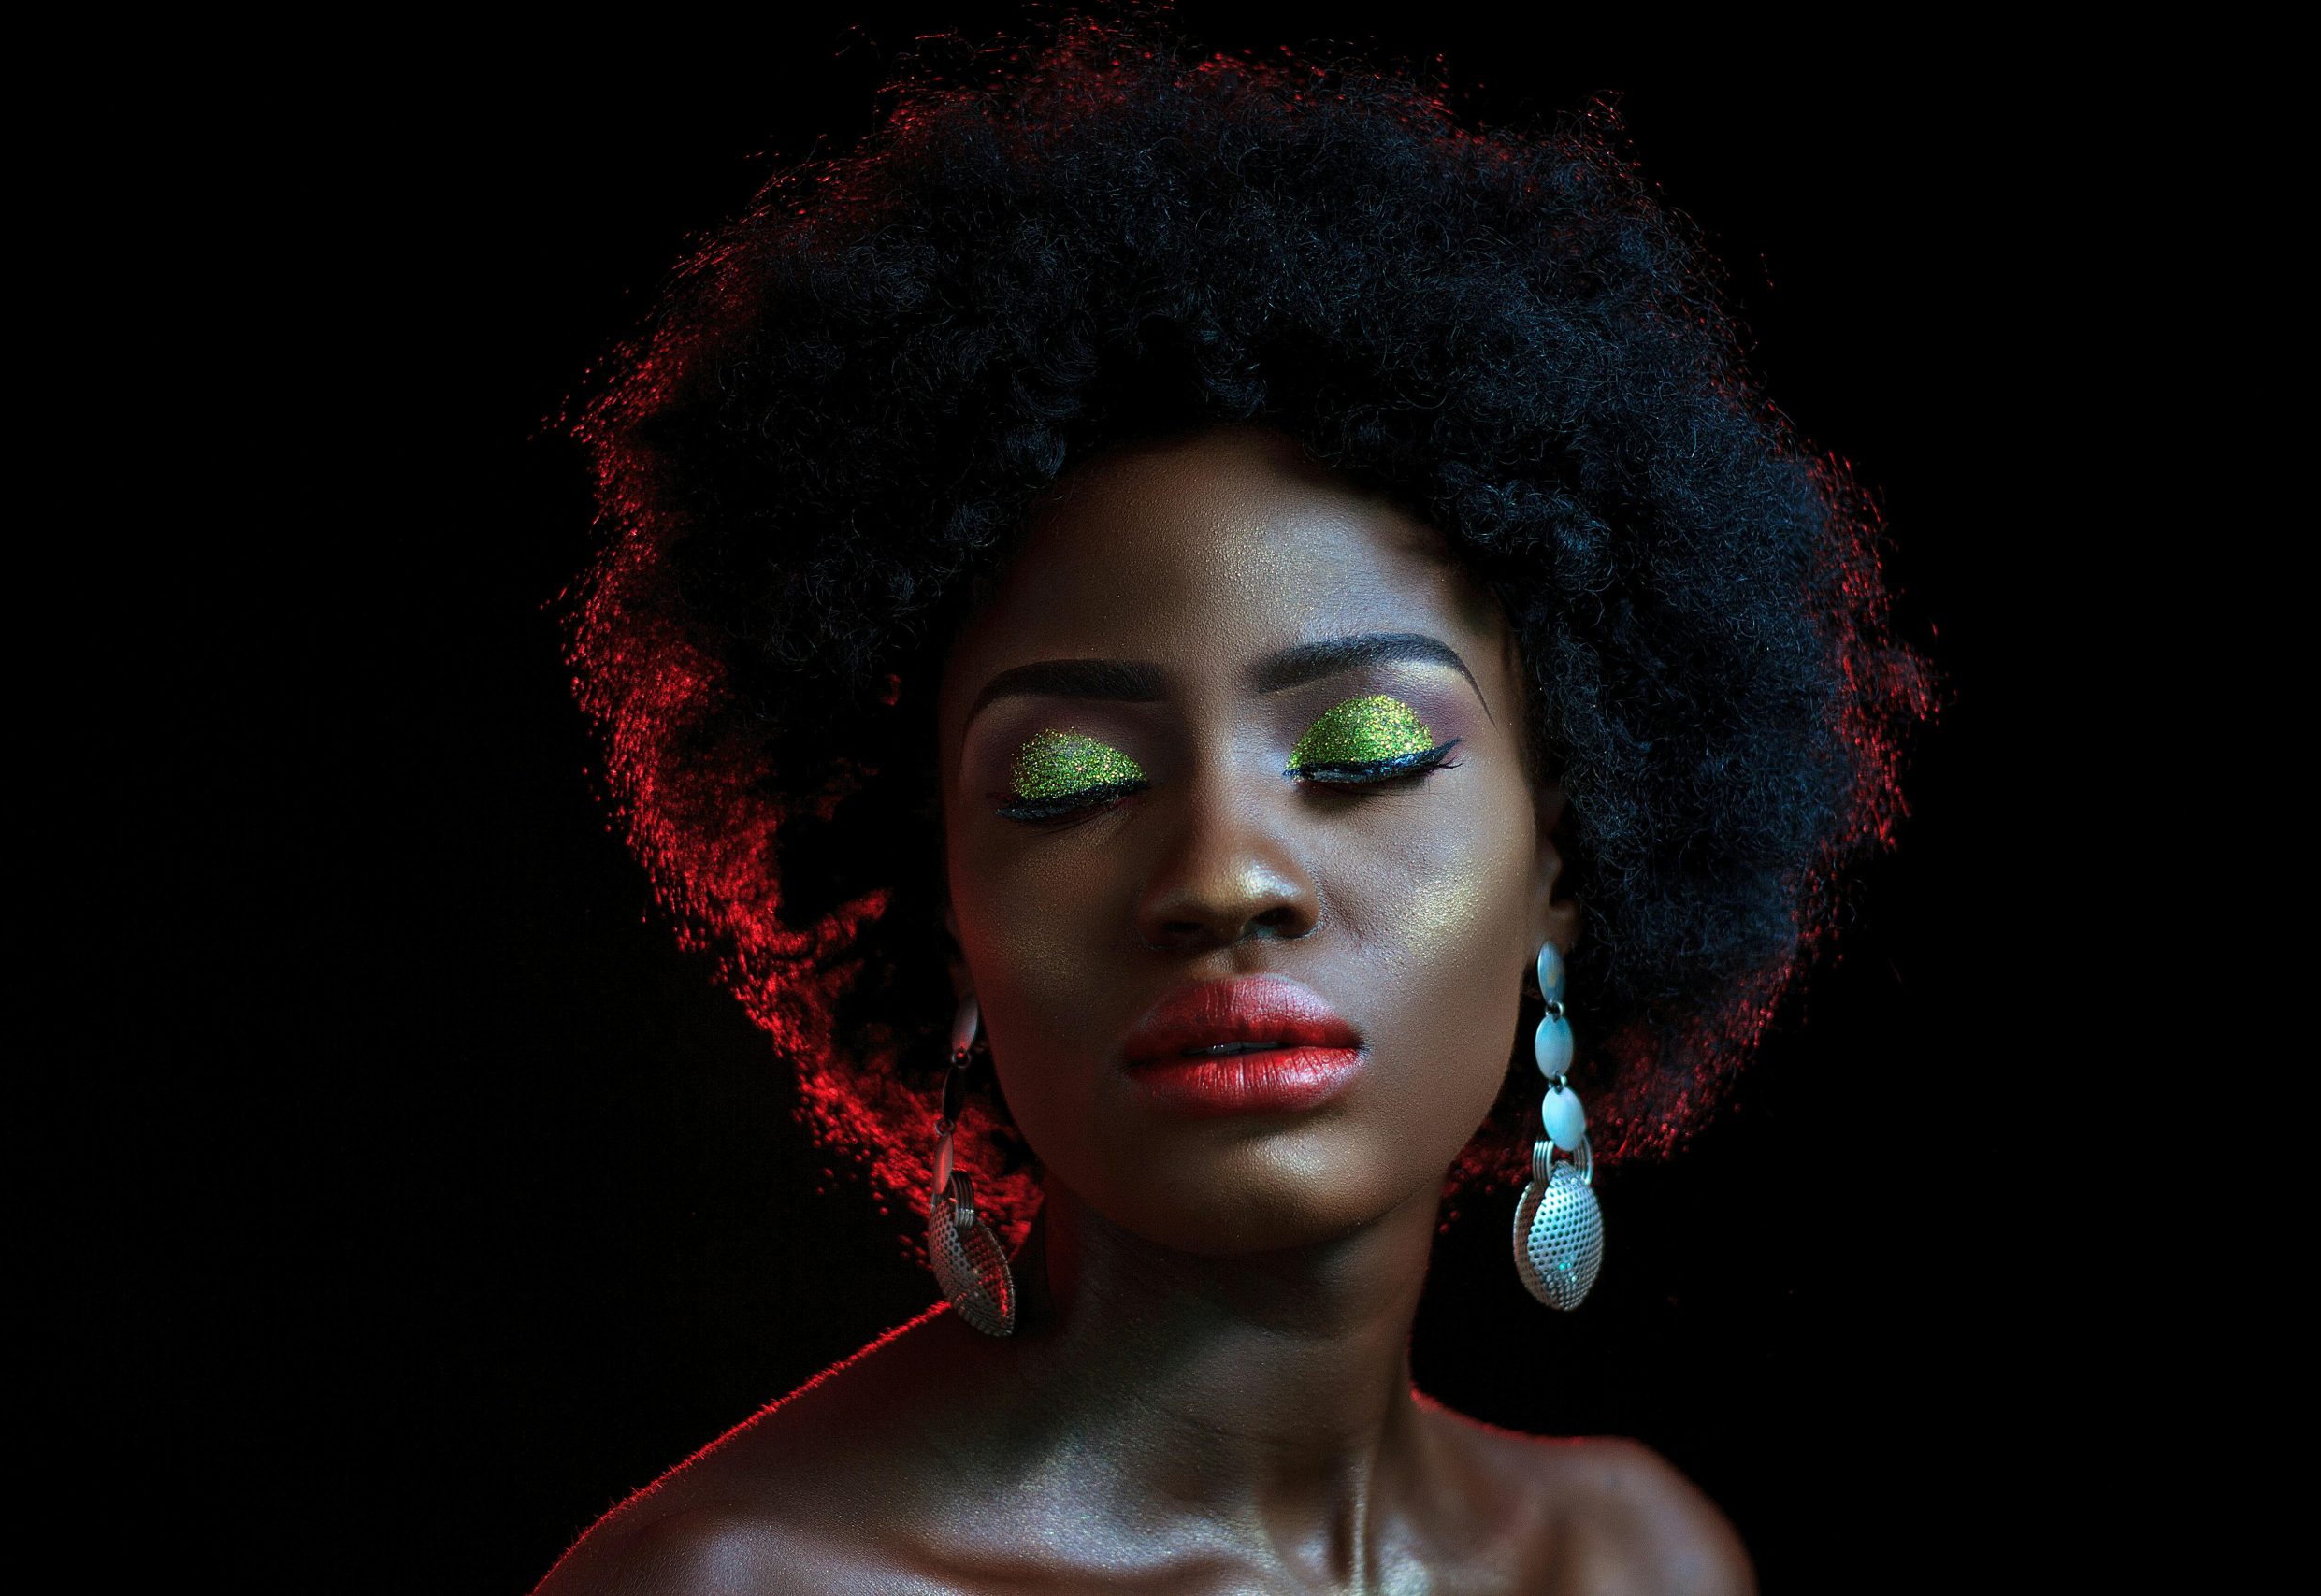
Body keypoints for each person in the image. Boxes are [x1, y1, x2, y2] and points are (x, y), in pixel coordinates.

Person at [535, 9, 1935, 1590]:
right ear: (942, 906)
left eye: (1365, 759)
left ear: (1568, 855)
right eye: (1069, 781)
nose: (1223, 875)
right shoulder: (743, 1586)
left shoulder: (1639, 1561)